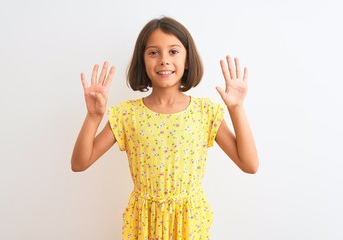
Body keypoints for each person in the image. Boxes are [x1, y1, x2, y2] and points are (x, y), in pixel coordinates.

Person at [71, 16, 258, 240]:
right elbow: (79, 163)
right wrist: (93, 117)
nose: (164, 60)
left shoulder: (205, 112)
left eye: (173, 51)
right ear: (142, 60)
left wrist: (236, 108)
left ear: (188, 59)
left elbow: (249, 164)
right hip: (143, 223)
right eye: (153, 52)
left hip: (190, 224)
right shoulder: (127, 114)